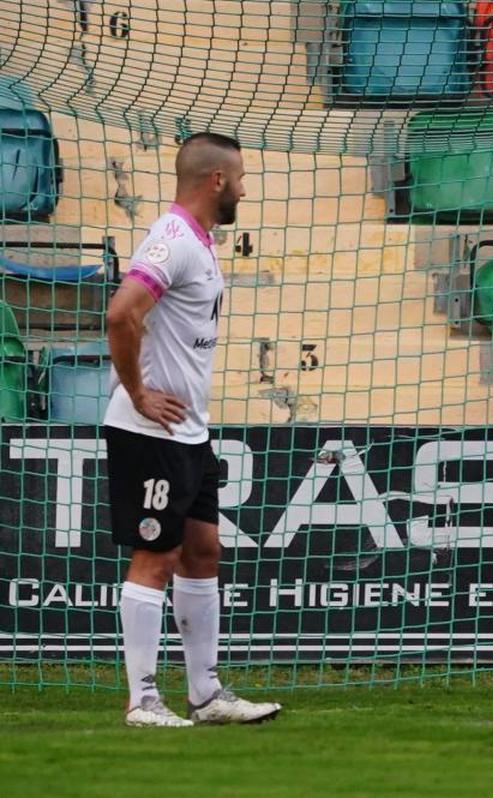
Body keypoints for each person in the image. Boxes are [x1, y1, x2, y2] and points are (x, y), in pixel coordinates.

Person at [105, 132, 281, 727]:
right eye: (240, 178)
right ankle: (143, 700)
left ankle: (205, 695)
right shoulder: (173, 239)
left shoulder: (199, 243)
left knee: (204, 551)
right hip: (151, 431)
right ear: (216, 181)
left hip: (190, 433)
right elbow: (120, 312)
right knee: (157, 555)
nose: (244, 188)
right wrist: (137, 394)